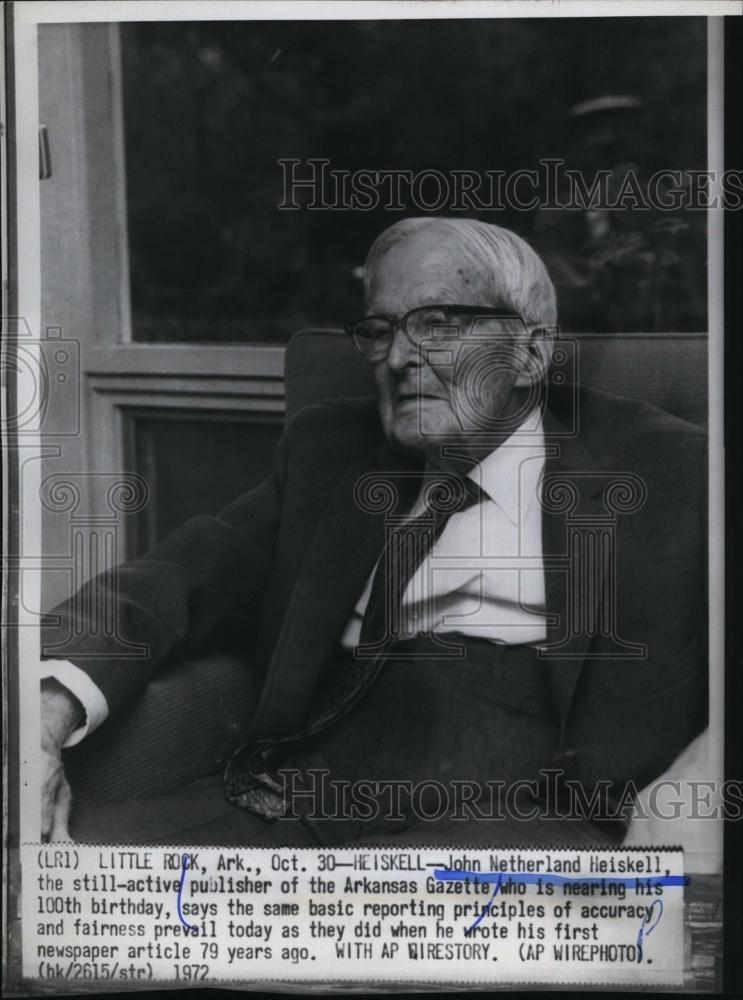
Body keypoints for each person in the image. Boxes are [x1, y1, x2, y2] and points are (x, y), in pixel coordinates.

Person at [39, 217, 707, 846]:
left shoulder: (663, 467)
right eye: (381, 330)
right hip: (298, 794)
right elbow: (181, 574)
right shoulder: (331, 451)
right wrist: (46, 706)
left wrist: (692, 781)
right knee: (66, 876)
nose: (399, 357)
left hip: (528, 819)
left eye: (439, 325)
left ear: (531, 354)